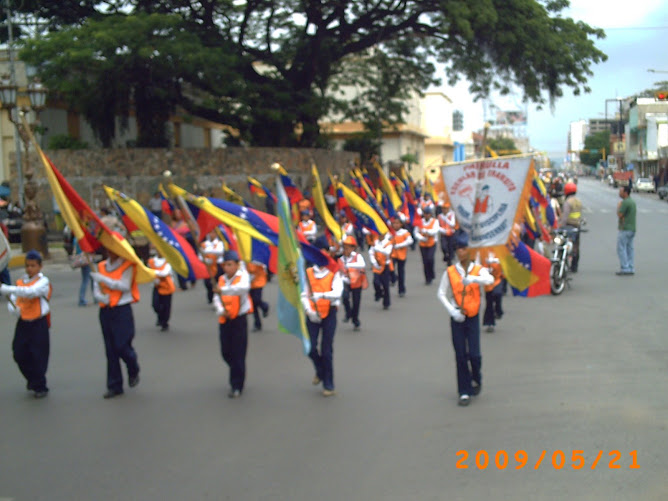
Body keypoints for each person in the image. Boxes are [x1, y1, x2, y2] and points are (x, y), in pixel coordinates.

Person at [437, 231, 493, 406]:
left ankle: (476, 377)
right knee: (461, 355)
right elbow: (441, 293)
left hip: (473, 317)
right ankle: (464, 391)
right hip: (458, 318)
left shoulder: (477, 269)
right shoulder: (451, 272)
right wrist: (452, 311)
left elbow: (489, 279)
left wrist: (474, 279)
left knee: (474, 354)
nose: (461, 252)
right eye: (458, 249)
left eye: (464, 249)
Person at [91, 248, 141, 399]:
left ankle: (133, 367)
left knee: (122, 345)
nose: (110, 251)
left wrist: (103, 280)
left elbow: (124, 286)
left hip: (122, 309)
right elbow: (96, 289)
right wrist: (100, 297)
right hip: (106, 310)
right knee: (110, 349)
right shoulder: (100, 266)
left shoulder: (127, 265)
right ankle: (114, 385)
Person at [1, 250, 52, 398]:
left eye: (33, 265)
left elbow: (31, 292)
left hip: (38, 323)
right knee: (19, 353)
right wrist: (14, 310)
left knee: (38, 355)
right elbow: (15, 298)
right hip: (23, 322)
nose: (30, 268)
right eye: (28, 265)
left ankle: (41, 386)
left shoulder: (43, 282)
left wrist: (7, 288)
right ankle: (32, 378)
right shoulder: (20, 282)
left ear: (40, 267)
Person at [302, 237, 343, 397]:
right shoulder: (308, 272)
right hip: (312, 314)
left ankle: (329, 383)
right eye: (319, 252)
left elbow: (337, 293)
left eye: (325, 251)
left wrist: (321, 295)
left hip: (329, 313)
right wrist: (308, 309)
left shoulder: (334, 271)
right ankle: (320, 371)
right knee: (310, 348)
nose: (322, 254)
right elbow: (304, 294)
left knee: (326, 350)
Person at [213, 250, 253, 398]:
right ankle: (237, 370)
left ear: (237, 265)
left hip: (239, 320)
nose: (226, 268)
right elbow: (216, 298)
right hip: (225, 319)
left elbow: (242, 289)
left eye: (230, 264)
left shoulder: (243, 277)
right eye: (225, 265)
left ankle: (237, 385)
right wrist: (220, 310)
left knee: (238, 353)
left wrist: (222, 291)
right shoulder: (222, 279)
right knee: (226, 352)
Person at [339, 235, 366, 331]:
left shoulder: (358, 257)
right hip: (345, 281)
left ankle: (355, 320)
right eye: (344, 247)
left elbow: (362, 265)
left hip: (356, 282)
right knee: (345, 298)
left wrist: (349, 265)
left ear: (353, 248)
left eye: (348, 247)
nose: (346, 249)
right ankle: (348, 312)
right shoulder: (341, 258)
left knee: (356, 302)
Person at [148, 247, 175, 331]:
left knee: (166, 306)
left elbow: (164, 273)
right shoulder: (152, 261)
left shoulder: (168, 262)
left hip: (167, 288)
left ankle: (165, 323)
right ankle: (160, 317)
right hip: (156, 287)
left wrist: (153, 272)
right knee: (155, 305)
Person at [558, 182, 583, 272]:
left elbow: (565, 216)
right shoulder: (578, 201)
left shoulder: (567, 202)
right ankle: (574, 266)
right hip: (577, 226)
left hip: (568, 226)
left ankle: (562, 260)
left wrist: (560, 225)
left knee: (562, 244)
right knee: (575, 247)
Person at [414, 206, 440, 285]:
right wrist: (421, 238)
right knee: (425, 261)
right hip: (423, 244)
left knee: (430, 259)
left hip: (432, 243)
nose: (426, 215)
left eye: (428, 214)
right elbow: (416, 232)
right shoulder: (419, 222)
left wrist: (426, 231)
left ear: (430, 214)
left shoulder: (435, 221)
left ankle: (431, 273)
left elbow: (435, 230)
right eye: (425, 214)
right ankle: (427, 278)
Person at [369, 231, 393, 310]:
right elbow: (371, 252)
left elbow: (387, 252)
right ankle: (378, 293)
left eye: (381, 234)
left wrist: (378, 249)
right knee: (375, 281)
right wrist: (374, 262)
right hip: (377, 265)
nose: (379, 235)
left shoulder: (388, 243)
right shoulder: (375, 242)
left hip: (385, 265)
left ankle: (386, 303)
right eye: (378, 234)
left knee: (386, 285)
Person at [390, 217, 413, 297]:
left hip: (401, 255)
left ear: (401, 224)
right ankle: (393, 278)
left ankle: (401, 290)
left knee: (401, 272)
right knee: (390, 268)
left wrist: (399, 245)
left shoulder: (404, 232)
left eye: (397, 223)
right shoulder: (390, 232)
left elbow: (410, 240)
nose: (395, 225)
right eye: (394, 223)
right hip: (392, 254)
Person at [616, 185, 636, 276]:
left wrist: (619, 206)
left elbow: (620, 214)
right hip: (632, 228)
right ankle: (630, 267)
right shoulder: (632, 202)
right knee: (629, 248)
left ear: (625, 193)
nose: (619, 193)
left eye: (621, 191)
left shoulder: (625, 202)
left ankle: (625, 267)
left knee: (621, 248)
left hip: (625, 228)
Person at [482, 253, 504, 333]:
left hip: (498, 279)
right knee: (489, 303)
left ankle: (498, 310)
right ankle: (490, 323)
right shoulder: (484, 253)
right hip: (488, 282)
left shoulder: (500, 251)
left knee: (498, 295)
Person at [200, 231, 224, 304]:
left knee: (218, 282)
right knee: (208, 283)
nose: (211, 234)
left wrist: (207, 252)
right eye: (210, 233)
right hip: (208, 266)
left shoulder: (220, 243)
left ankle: (218, 299)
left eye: (213, 232)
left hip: (218, 265)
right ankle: (211, 296)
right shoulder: (204, 244)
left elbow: (220, 251)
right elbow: (200, 255)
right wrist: (205, 260)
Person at [246, 260, 270, 332]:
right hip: (249, 283)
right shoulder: (245, 258)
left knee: (257, 300)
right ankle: (257, 324)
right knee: (253, 305)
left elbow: (262, 267)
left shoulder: (258, 258)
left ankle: (265, 306)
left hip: (259, 282)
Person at [72, 237, 93, 306]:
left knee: (90, 278)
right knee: (86, 280)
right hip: (85, 259)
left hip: (81, 259)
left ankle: (94, 297)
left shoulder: (76, 238)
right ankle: (82, 299)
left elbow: (75, 249)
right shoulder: (82, 238)